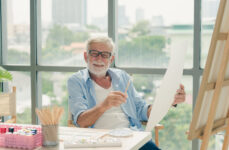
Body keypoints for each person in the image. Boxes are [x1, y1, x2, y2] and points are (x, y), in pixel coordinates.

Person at [67, 36, 186, 150]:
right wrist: (105, 105)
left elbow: (141, 110)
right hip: (99, 141)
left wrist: (168, 101)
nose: (99, 59)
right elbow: (81, 122)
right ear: (85, 56)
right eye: (94, 53)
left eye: (105, 55)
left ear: (111, 59)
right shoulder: (76, 81)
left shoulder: (122, 77)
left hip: (131, 137)